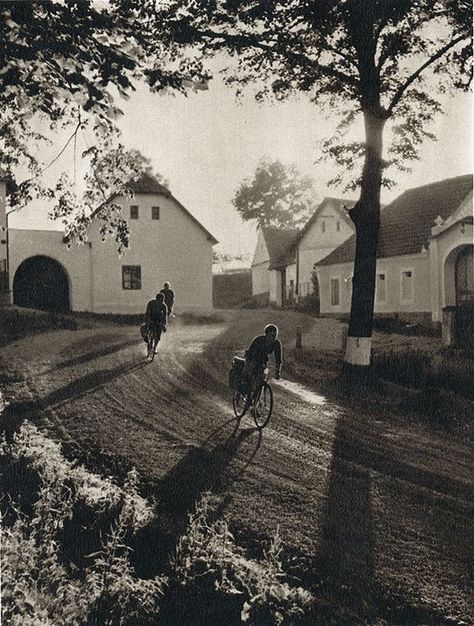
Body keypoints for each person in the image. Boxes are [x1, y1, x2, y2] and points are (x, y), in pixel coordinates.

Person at [242, 324, 282, 398]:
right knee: (249, 374)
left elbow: (278, 359)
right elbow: (250, 354)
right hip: (251, 357)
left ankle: (257, 397)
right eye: (271, 335)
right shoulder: (259, 340)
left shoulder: (277, 344)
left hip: (263, 360)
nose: (273, 338)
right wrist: (250, 364)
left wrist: (277, 372)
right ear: (266, 335)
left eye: (275, 335)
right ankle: (243, 389)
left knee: (263, 377)